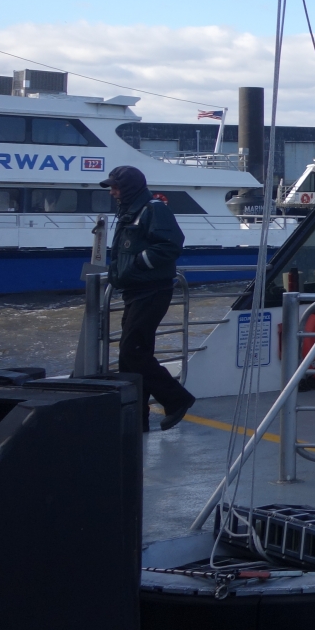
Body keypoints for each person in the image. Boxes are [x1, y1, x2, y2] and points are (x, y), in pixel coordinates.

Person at [103, 165, 194, 431]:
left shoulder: (153, 209)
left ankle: (177, 399)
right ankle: (134, 418)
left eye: (115, 187)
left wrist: (137, 266)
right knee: (129, 355)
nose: (112, 192)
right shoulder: (130, 210)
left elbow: (170, 244)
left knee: (133, 351)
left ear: (129, 187)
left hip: (152, 291)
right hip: (136, 291)